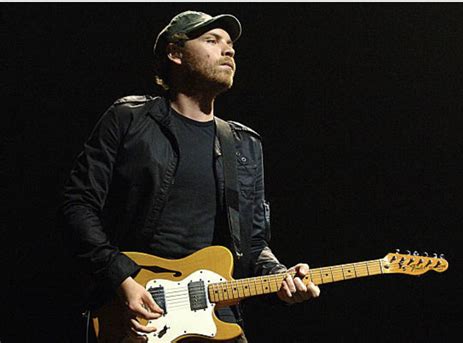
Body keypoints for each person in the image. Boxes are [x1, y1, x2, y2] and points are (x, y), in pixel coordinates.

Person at [59, 10, 320, 342]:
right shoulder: (128, 120)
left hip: (217, 319)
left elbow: (252, 244)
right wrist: (122, 280)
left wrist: (282, 277)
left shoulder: (244, 144)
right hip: (136, 314)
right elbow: (77, 206)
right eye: (212, 40)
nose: (229, 51)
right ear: (175, 52)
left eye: (230, 45)